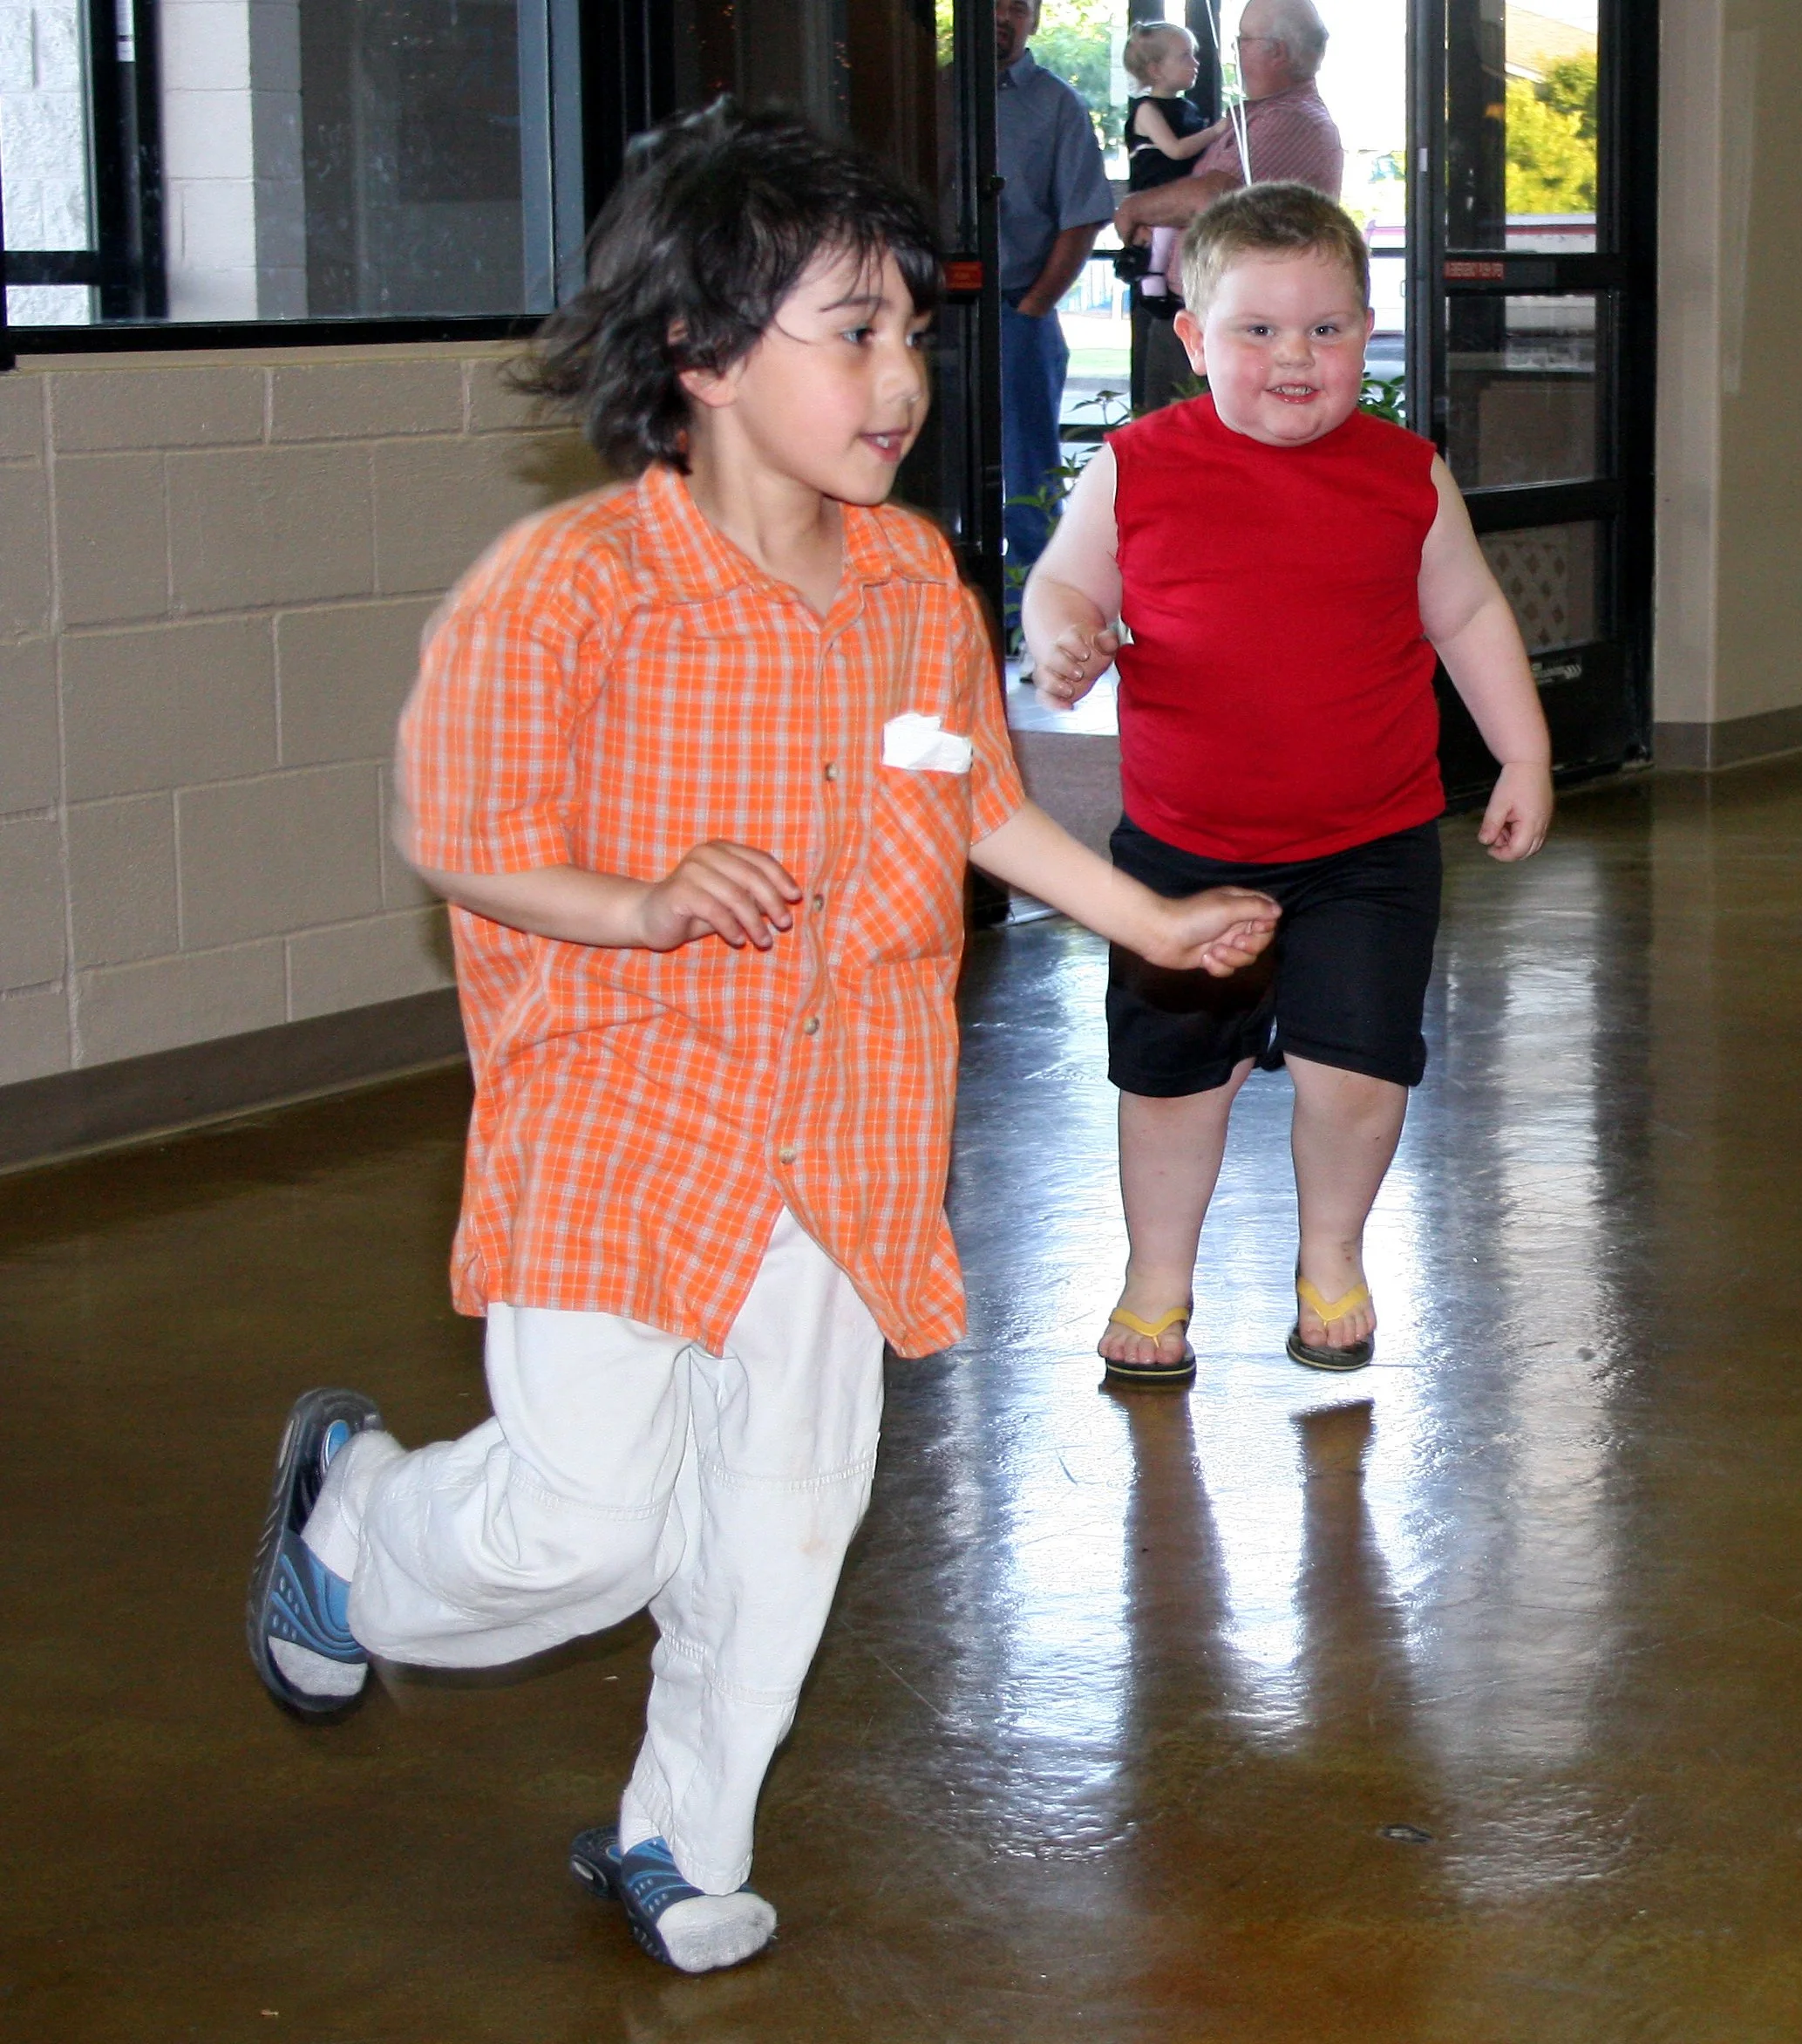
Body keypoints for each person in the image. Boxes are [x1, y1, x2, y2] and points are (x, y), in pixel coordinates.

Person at [243, 103, 1279, 1978]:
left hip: (848, 1130)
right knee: (583, 1524)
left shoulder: (907, 588)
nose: (903, 377)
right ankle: (362, 1522)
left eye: (913, 332)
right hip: (620, 1127)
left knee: (789, 1510)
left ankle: (681, 1825)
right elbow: (464, 841)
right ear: (702, 359)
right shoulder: (568, 590)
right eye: (853, 332)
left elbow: (969, 791)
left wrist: (1149, 915)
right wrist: (635, 905)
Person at [1022, 182, 1554, 1390]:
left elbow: (1467, 613)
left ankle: (1331, 1259)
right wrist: (1064, 633)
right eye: (1257, 330)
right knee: (1173, 1083)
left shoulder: (1405, 475)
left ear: (1368, 334)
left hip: (1367, 847)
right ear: (1194, 338)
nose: (1295, 358)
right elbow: (1065, 583)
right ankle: (1158, 1277)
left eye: (1325, 328)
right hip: (1180, 855)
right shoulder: (1137, 466)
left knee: (1358, 1073)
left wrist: (1521, 753)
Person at [1115, 0, 1344, 412]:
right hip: (1208, 321)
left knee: (1192, 460)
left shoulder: (1289, 119)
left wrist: (1134, 209)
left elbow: (1212, 199)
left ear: (1275, 51)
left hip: (1238, 329)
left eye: (1243, 41)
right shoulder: (1257, 115)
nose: (1233, 52)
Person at [994, 0, 1113, 635]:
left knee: (1028, 478)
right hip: (935, 319)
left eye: (1019, 6)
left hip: (1018, 314)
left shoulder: (1057, 105)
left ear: (1035, 20)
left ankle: (1026, 622)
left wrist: (1033, 307)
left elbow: (1082, 216)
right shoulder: (927, 92)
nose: (1004, 16)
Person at [1120, 21, 1227, 312]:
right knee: (1163, 230)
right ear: (1156, 70)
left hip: (1184, 188)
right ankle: (1153, 276)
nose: (1195, 63)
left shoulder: (1188, 110)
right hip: (1157, 187)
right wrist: (1216, 132)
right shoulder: (1148, 110)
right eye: (1184, 56)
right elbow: (1176, 150)